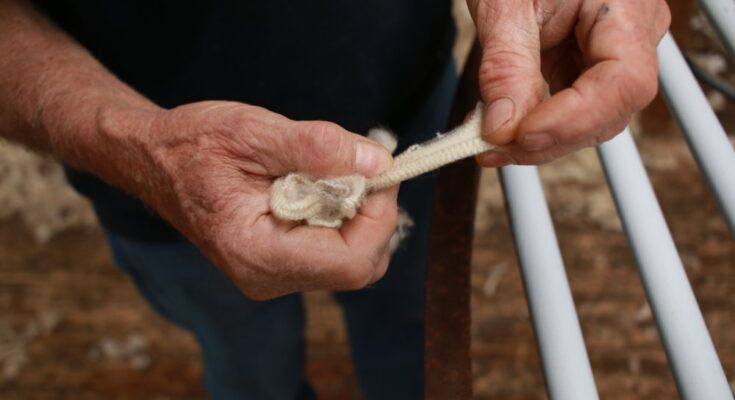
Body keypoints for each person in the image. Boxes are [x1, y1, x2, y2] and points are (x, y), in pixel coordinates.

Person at [0, 0, 670, 398]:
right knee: (246, 363)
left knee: (408, 325)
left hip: (405, 92)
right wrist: (141, 148)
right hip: (157, 176)